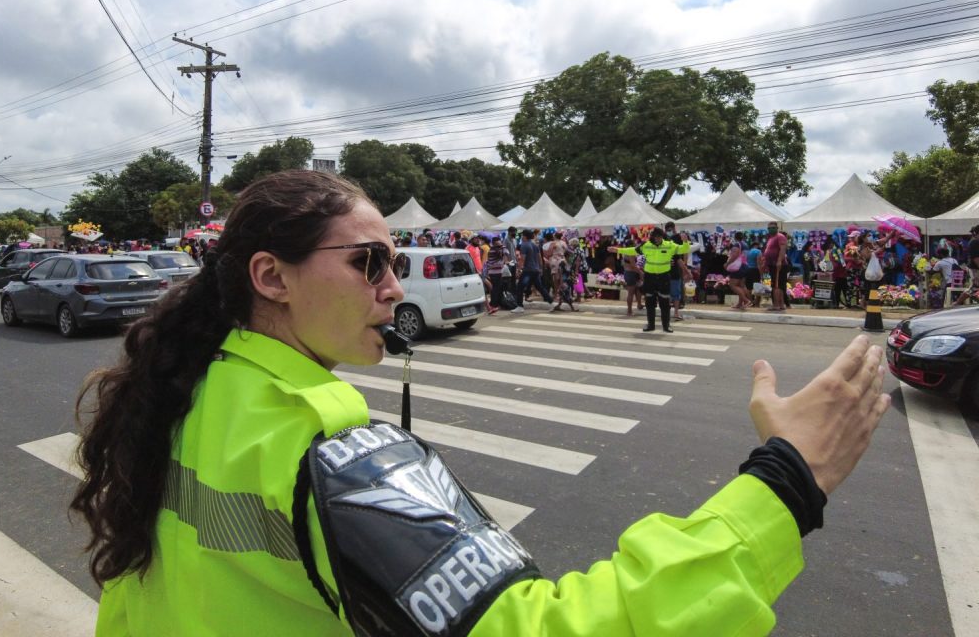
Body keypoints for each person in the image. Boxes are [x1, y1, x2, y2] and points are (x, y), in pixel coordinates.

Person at [71, 168, 892, 636]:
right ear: (270, 276)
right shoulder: (325, 446)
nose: (395, 288)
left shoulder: (188, 385)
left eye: (395, 261)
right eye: (368, 263)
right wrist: (784, 484)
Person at [610, 227, 690, 333]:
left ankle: (666, 326)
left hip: (664, 277)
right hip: (650, 277)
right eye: (655, 237)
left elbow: (684, 249)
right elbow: (633, 250)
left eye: (659, 237)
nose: (657, 239)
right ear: (652, 237)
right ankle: (650, 325)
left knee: (665, 303)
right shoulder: (646, 245)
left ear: (662, 237)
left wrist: (685, 242)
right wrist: (618, 250)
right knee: (650, 302)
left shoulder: (669, 245)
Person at [513, 228, 553, 312]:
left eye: (522, 235)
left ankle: (520, 306)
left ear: (525, 236)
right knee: (540, 287)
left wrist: (519, 270)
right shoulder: (535, 245)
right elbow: (539, 258)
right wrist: (541, 268)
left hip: (528, 270)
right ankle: (551, 302)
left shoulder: (524, 245)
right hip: (536, 269)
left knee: (520, 287)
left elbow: (522, 259)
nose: (521, 237)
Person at [761, 222, 789, 312]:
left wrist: (779, 260)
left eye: (773, 227)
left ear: (777, 228)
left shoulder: (780, 236)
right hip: (772, 265)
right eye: (769, 228)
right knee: (778, 285)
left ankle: (776, 305)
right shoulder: (770, 238)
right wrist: (765, 264)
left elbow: (783, 248)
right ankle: (780, 305)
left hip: (778, 264)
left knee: (777, 285)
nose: (771, 229)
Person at [725, 233, 752, 310]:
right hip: (745, 266)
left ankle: (746, 300)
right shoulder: (746, 245)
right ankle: (740, 304)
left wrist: (727, 263)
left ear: (735, 237)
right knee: (741, 285)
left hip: (738, 267)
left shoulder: (737, 244)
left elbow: (734, 255)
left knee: (732, 285)